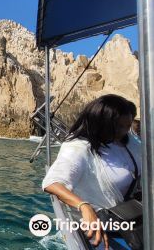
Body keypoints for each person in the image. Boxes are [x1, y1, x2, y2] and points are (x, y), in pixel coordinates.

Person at [42, 94, 141, 249]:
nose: (125, 131)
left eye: (128, 126)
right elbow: (52, 183)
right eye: (120, 127)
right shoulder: (79, 147)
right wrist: (84, 206)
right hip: (100, 225)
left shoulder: (129, 142)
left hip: (131, 216)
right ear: (103, 124)